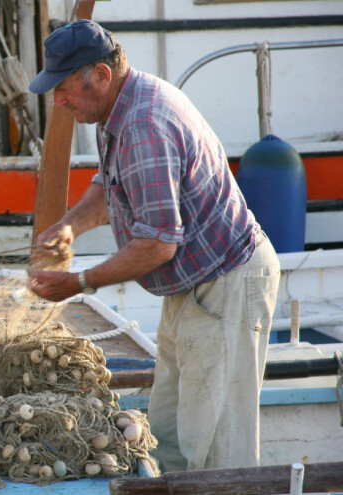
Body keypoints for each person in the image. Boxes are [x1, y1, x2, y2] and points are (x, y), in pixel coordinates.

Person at [26, 20, 280, 472]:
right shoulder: (117, 108)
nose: (58, 102)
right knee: (165, 436)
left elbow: (159, 243)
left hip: (227, 282)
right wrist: (70, 226)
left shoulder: (143, 123)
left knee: (217, 447)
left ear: (101, 76)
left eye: (63, 89)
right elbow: (108, 185)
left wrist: (80, 281)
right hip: (190, 287)